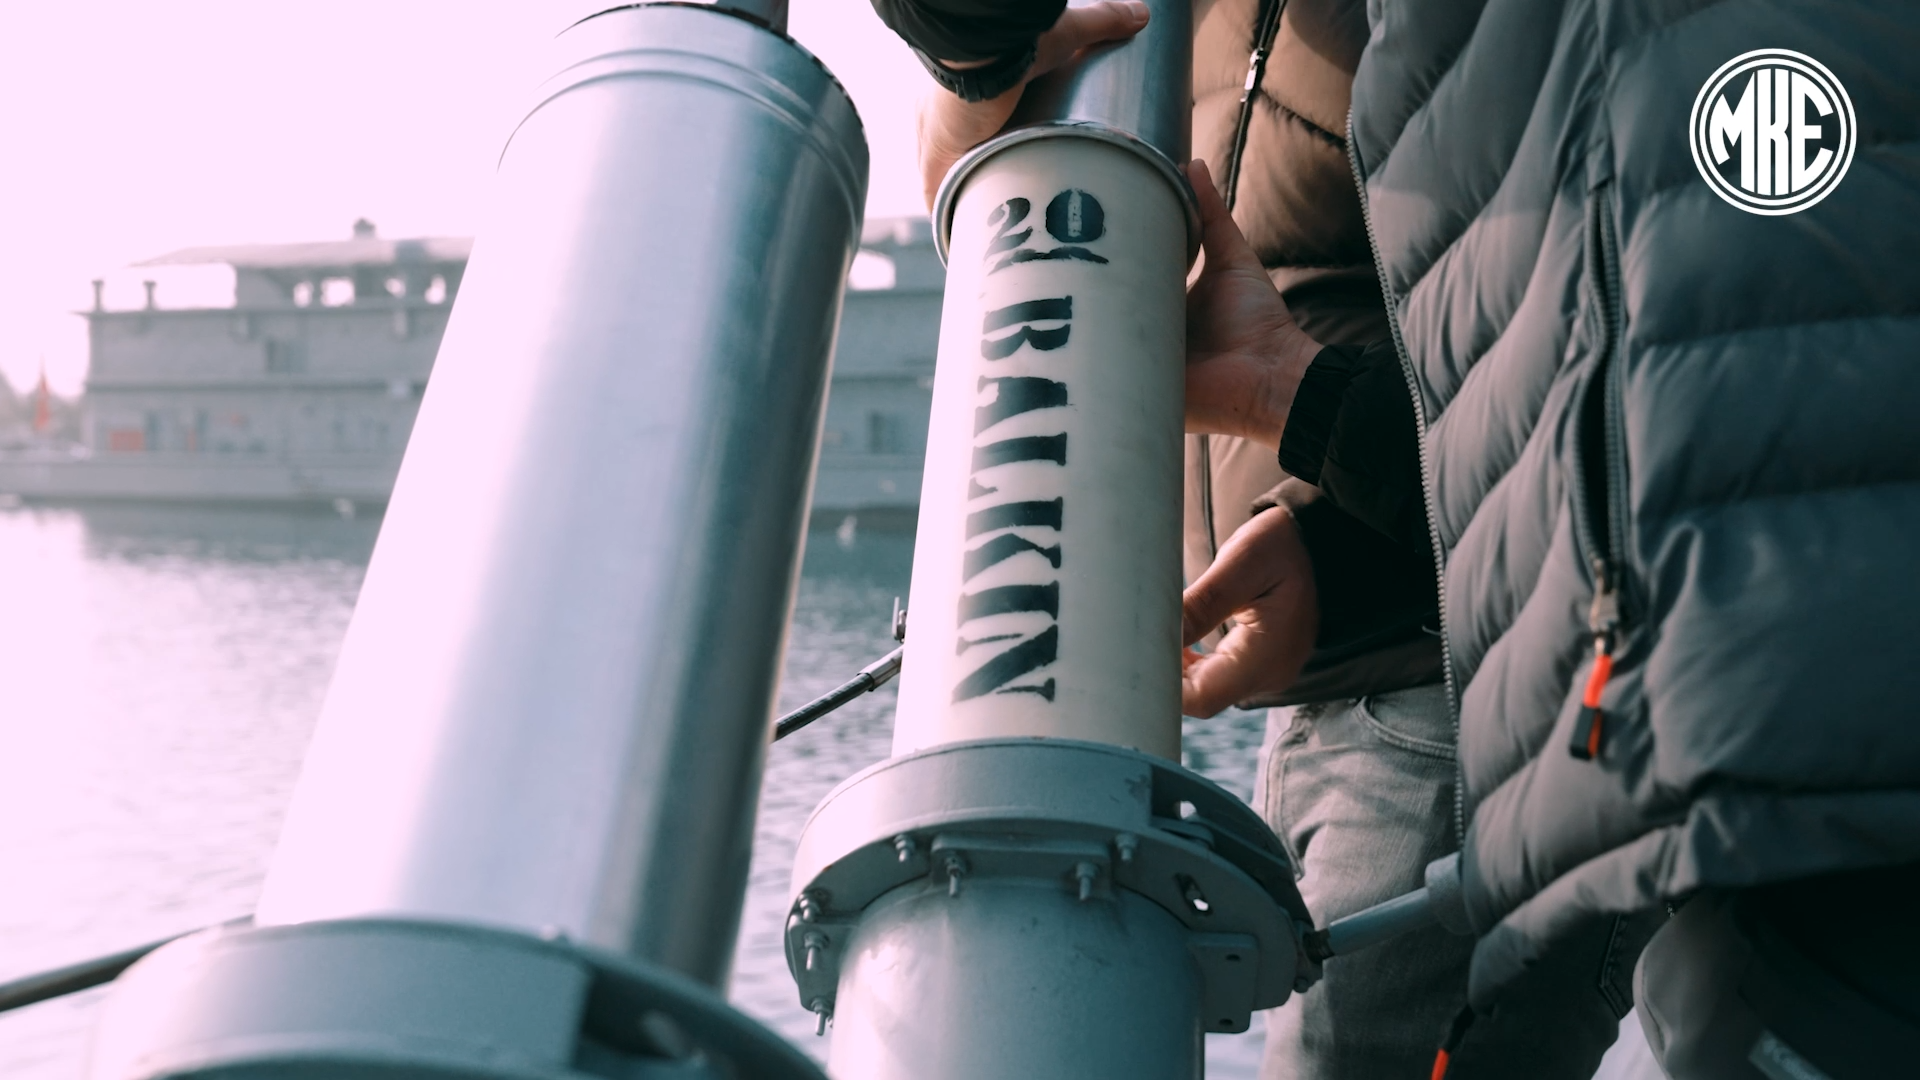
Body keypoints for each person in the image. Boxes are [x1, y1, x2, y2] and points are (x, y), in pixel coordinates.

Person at [872, 0, 1920, 1077]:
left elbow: (1650, 365)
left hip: (1501, 681)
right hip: (1362, 646)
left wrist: (1307, 410)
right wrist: (1335, 549)